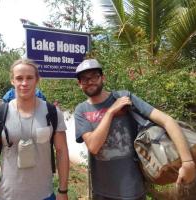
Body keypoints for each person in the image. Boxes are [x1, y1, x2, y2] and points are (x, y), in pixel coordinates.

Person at [74, 59, 196, 200]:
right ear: (79, 84)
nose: (89, 81)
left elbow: (167, 121)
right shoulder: (81, 110)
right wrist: (110, 112)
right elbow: (94, 147)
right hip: (101, 191)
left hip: (132, 189)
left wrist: (187, 162)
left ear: (103, 77)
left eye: (94, 76)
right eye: (84, 79)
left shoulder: (124, 98)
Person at [0, 58, 69, 200]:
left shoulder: (53, 113)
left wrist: (63, 191)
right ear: (12, 81)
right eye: (19, 78)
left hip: (45, 195)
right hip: (7, 196)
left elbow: (62, 151)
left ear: (37, 80)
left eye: (29, 78)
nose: (24, 83)